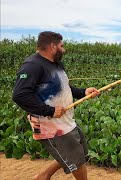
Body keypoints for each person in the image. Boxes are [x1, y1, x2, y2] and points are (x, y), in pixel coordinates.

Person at [12, 31, 100, 180]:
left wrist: (84, 92)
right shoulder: (32, 66)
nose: (64, 50)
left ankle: (44, 176)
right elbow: (19, 95)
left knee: (80, 150)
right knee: (77, 160)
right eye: (62, 46)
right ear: (53, 46)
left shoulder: (56, 64)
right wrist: (49, 111)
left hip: (65, 120)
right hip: (50, 125)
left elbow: (64, 87)